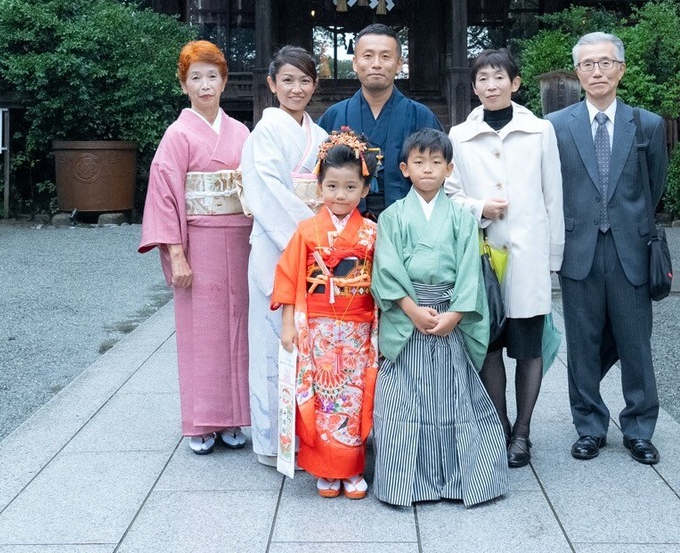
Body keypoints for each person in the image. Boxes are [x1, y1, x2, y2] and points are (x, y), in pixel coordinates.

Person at [545, 32, 668, 466]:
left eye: (605, 63)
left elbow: (654, 186)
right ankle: (590, 426)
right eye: (587, 65)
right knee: (582, 342)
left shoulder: (647, 124)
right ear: (577, 73)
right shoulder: (556, 126)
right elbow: (551, 186)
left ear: (621, 69)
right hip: (578, 246)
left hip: (629, 247)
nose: (597, 72)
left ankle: (638, 427)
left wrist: (628, 222)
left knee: (636, 342)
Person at [371, 128, 509, 507]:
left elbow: (470, 272)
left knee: (454, 401)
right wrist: (412, 310)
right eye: (419, 162)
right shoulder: (393, 217)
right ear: (404, 168)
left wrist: (456, 314)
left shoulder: (462, 218)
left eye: (436, 163)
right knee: (403, 402)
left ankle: (459, 481)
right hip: (410, 315)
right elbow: (386, 269)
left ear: (449, 169)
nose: (427, 170)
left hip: (450, 316)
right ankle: (406, 484)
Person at [445, 49, 564, 468]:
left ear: (515, 83)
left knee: (528, 346)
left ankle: (523, 432)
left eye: (498, 78)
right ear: (473, 86)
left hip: (529, 254)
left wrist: (554, 257)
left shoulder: (540, 131)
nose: (490, 86)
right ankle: (498, 424)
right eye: (482, 79)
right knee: (490, 344)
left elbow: (554, 196)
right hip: (484, 255)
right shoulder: (459, 136)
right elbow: (450, 194)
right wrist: (480, 208)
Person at [138, 40, 252, 454]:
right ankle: (201, 422)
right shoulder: (177, 135)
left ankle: (235, 419)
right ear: (183, 84)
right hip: (198, 242)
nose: (205, 85)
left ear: (224, 81)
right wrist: (177, 254)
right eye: (195, 78)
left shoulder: (241, 132)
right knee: (200, 333)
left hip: (241, 239)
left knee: (241, 330)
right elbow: (165, 196)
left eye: (212, 76)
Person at [272, 129, 380, 499]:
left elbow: (384, 280)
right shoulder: (306, 231)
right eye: (332, 186)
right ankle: (324, 469)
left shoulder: (371, 233)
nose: (340, 195)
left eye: (350, 187)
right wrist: (289, 325)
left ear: (364, 190)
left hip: (356, 329)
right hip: (315, 328)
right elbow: (288, 276)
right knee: (320, 396)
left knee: (352, 394)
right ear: (319, 187)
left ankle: (350, 469)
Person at [240, 45, 329, 466]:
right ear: (272, 84)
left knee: (315, 345)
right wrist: (311, 234)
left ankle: (316, 437)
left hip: (320, 249)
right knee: (275, 341)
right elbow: (267, 193)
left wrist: (326, 235)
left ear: (315, 85)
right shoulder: (265, 133)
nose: (297, 88)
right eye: (288, 80)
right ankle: (273, 440)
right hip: (278, 248)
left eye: (305, 80)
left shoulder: (324, 137)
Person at [318, 23, 442, 217]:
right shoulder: (334, 115)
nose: (376, 64)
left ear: (399, 64)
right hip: (344, 224)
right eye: (367, 56)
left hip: (409, 223)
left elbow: (439, 173)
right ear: (355, 63)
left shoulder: (421, 116)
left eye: (385, 56)